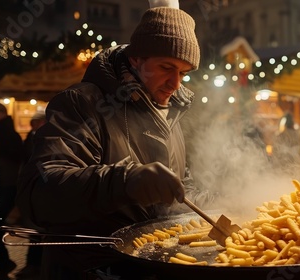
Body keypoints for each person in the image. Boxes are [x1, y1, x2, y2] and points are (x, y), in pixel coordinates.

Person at [16, 3, 218, 279]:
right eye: (166, 67)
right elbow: (39, 193)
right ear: (136, 59)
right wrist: (124, 181)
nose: (175, 83)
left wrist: (219, 203)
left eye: (183, 73)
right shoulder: (83, 103)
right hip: (87, 268)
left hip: (147, 267)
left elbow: (179, 188)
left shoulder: (172, 113)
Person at [0, 102, 23, 279]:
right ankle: (2, 263)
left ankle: (3, 264)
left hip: (2, 187)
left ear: (1, 113)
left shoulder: (7, 135)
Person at [15, 112, 47, 280]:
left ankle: (37, 265)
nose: (34, 124)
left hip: (42, 188)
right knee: (35, 230)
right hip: (33, 187)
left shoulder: (45, 138)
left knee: (40, 230)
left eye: (37, 121)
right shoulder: (31, 137)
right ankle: (34, 264)